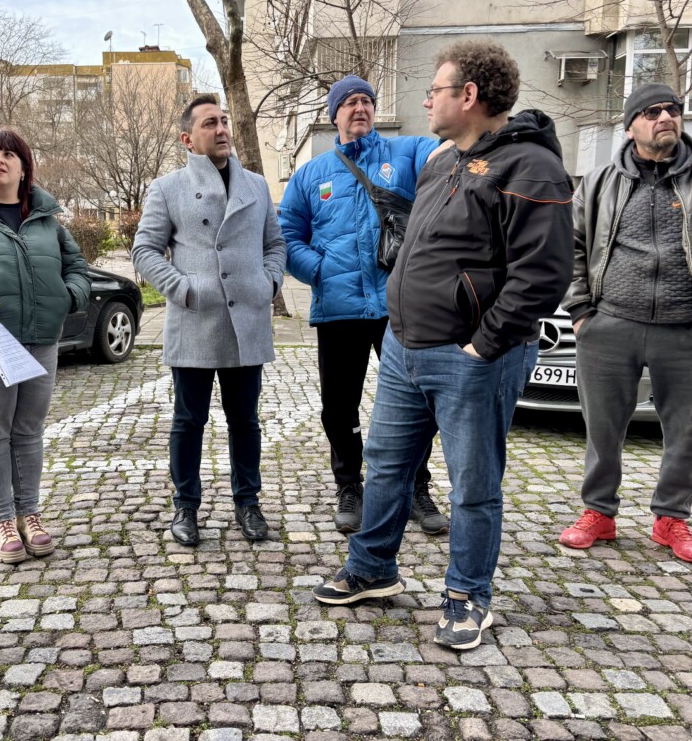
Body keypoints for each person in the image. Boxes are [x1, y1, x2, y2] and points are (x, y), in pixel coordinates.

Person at [312, 41, 573, 652]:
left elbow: (543, 275)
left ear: (470, 96)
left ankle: (467, 596)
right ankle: (372, 568)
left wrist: (483, 347)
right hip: (405, 350)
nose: (426, 99)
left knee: (472, 484)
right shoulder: (441, 160)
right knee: (386, 463)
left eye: (436, 89)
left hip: (471, 360)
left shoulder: (530, 169)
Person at [558, 82, 692, 563]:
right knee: (602, 428)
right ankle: (599, 513)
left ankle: (671, 520)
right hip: (609, 326)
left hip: (689, 329)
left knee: (685, 433)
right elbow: (571, 248)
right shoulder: (598, 182)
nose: (666, 117)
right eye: (653, 111)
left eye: (673, 110)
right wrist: (580, 313)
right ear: (631, 125)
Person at [279, 74, 448, 536]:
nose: (360, 108)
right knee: (339, 405)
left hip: (400, 305)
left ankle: (416, 485)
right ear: (334, 114)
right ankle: (349, 485)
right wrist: (318, 271)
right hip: (339, 307)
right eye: (350, 102)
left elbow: (444, 153)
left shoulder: (405, 152)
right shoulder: (311, 173)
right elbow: (286, 232)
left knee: (416, 402)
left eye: (367, 101)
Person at [132, 94, 287, 546]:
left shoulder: (256, 185)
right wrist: (183, 289)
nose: (221, 129)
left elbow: (275, 244)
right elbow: (145, 250)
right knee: (188, 420)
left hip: (247, 318)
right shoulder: (167, 187)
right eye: (209, 124)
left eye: (224, 121)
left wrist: (270, 283)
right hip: (195, 319)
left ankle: (248, 503)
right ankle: (186, 506)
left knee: (245, 420)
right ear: (188, 138)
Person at [0, 128, 91, 564]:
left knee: (29, 429)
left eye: (9, 154)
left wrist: (67, 298)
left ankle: (29, 512)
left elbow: (77, 267)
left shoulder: (45, 217)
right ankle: (1, 518)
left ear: (23, 166)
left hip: (41, 338)